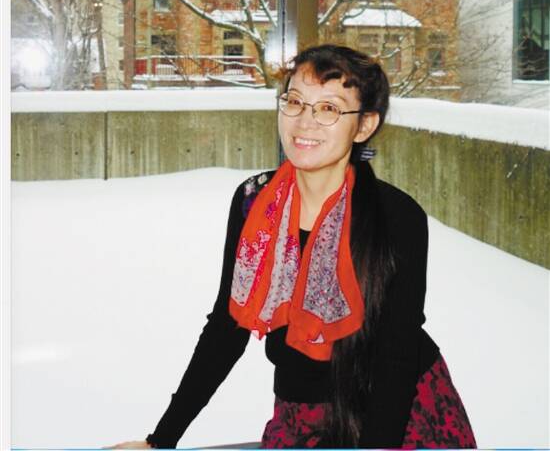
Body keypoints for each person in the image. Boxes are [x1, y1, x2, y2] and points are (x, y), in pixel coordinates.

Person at [107, 44, 477, 449]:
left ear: (364, 125)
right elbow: (226, 328)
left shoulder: (398, 217)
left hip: (398, 414)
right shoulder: (254, 202)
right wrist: (160, 440)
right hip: (300, 412)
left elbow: (397, 355)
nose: (304, 122)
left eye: (329, 108)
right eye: (296, 101)